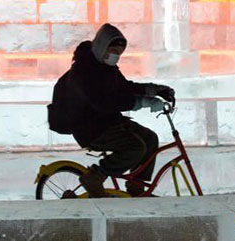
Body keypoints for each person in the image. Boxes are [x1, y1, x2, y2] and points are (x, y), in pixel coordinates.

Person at [70, 23, 176, 198]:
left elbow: (125, 88)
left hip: (109, 122)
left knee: (150, 139)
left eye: (118, 53)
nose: (115, 57)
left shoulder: (107, 68)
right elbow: (105, 103)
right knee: (135, 147)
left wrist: (155, 90)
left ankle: (136, 186)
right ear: (101, 46)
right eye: (113, 51)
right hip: (90, 128)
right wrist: (143, 102)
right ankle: (96, 176)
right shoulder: (84, 70)